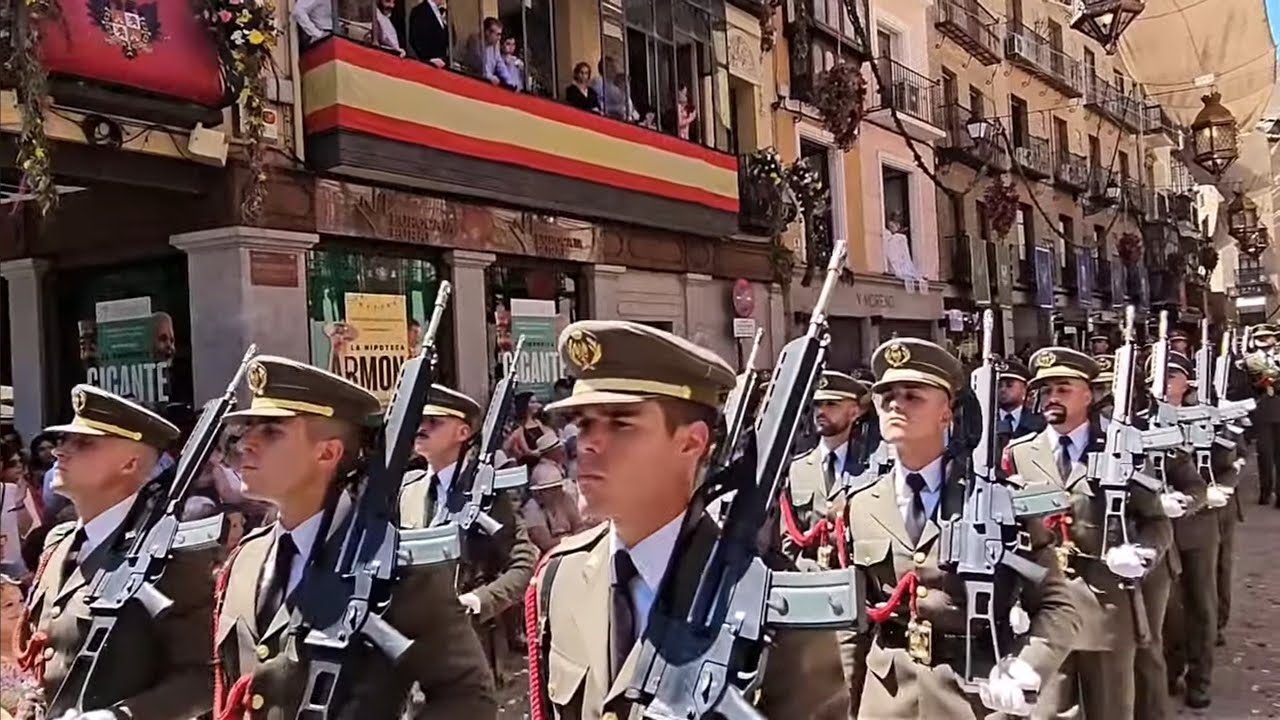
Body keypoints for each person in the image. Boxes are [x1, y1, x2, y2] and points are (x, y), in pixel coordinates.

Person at [527, 320, 848, 718]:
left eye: (621, 423)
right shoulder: (563, 578)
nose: (588, 442)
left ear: (691, 442)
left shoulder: (771, 606)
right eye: (585, 423)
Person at [213, 357, 497, 719]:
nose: (246, 444)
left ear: (328, 453)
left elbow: (468, 697)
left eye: (271, 431)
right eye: (248, 429)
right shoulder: (245, 561)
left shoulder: (399, 570)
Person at [843, 338, 1079, 718]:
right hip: (885, 698)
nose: (895, 405)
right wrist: (849, 706)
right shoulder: (860, 505)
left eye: (912, 395)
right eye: (886, 396)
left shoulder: (1000, 501)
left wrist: (1027, 667)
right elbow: (851, 628)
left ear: (946, 414)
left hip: (976, 695)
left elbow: (1057, 605)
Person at [15, 385, 215, 719]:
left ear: (130, 463)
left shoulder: (170, 554)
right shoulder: (58, 542)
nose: (60, 452)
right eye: (63, 440)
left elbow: (203, 677)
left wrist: (120, 716)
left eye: (84, 443)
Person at [1005, 348, 1172, 720]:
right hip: (1043, 615)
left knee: (1111, 710)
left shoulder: (1119, 450)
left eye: (1063, 389)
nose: (1052, 398)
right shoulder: (1020, 453)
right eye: (1045, 391)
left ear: (1088, 394)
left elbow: (1158, 521)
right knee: (1047, 713)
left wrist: (1142, 554)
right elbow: (1008, 533)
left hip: (1105, 608)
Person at [398, 383, 536, 688]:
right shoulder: (407, 490)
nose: (421, 428)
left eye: (434, 422)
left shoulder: (488, 495)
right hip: (412, 647)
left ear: (462, 433)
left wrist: (480, 601)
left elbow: (524, 562)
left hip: (469, 647)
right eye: (418, 421)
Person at [1131, 351, 1210, 720]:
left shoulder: (1165, 433)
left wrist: (1182, 501)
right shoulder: (1112, 435)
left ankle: (1197, 681)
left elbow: (1195, 484)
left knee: (1192, 612)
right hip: (1120, 552)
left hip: (1180, 536)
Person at [1159, 352, 1231, 710]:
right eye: (1162, 375)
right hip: (1159, 528)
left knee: (1201, 606)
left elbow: (1230, 459)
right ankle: (1170, 669)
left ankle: (1200, 679)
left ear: (1188, 381)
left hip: (1199, 525)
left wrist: (1219, 489)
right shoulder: (1143, 423)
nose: (1168, 382)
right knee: (1168, 611)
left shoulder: (1206, 414)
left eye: (1174, 375)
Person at [780, 370, 871, 570]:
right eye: (818, 405)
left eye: (831, 404)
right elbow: (787, 539)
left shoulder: (871, 468)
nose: (821, 411)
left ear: (854, 412)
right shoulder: (797, 470)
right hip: (808, 581)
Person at [520, 431, 587, 553]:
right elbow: (544, 543)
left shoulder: (564, 498)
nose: (557, 492)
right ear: (540, 492)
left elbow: (580, 527)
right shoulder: (532, 508)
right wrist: (572, 538)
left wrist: (570, 538)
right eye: (552, 489)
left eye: (557, 488)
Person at [1244, 323, 1280, 505]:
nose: (1263, 341)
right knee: (1265, 454)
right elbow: (1249, 383)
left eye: (1267, 337)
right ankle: (1266, 491)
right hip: (1263, 411)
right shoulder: (1249, 361)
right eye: (1260, 338)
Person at [994, 358, 1045, 455]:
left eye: (1009, 385)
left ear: (1024, 388)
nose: (1003, 390)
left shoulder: (1040, 423)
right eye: (999, 385)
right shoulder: (985, 422)